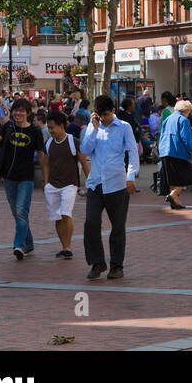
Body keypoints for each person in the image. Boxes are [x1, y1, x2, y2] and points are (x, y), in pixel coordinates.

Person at [0, 98, 49, 259]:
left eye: (22, 110)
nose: (18, 113)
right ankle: (28, 243)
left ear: (28, 113)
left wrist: (46, 179)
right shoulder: (8, 127)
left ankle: (19, 245)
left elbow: (43, 157)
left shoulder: (35, 132)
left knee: (21, 212)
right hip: (9, 177)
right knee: (17, 213)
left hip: (26, 178)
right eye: (16, 110)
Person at [79, 94, 140, 280]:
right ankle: (97, 262)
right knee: (91, 224)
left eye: (105, 114)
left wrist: (131, 177)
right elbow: (85, 150)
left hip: (117, 184)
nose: (103, 118)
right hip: (96, 183)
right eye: (99, 115)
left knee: (117, 228)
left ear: (113, 111)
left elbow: (133, 152)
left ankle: (116, 266)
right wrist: (94, 130)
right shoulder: (93, 127)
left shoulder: (124, 127)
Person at [44, 110, 88, 260]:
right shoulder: (49, 143)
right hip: (53, 185)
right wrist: (46, 183)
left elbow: (84, 162)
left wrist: (91, 183)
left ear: (61, 126)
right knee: (57, 217)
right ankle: (64, 246)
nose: (50, 131)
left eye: (52, 128)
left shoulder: (73, 141)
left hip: (70, 184)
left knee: (65, 213)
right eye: (48, 128)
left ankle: (68, 246)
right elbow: (45, 164)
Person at [159, 99, 192, 208]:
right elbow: (186, 139)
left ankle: (175, 202)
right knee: (186, 177)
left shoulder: (167, 119)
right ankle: (173, 195)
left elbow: (161, 135)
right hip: (178, 152)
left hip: (165, 151)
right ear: (187, 110)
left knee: (173, 178)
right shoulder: (183, 120)